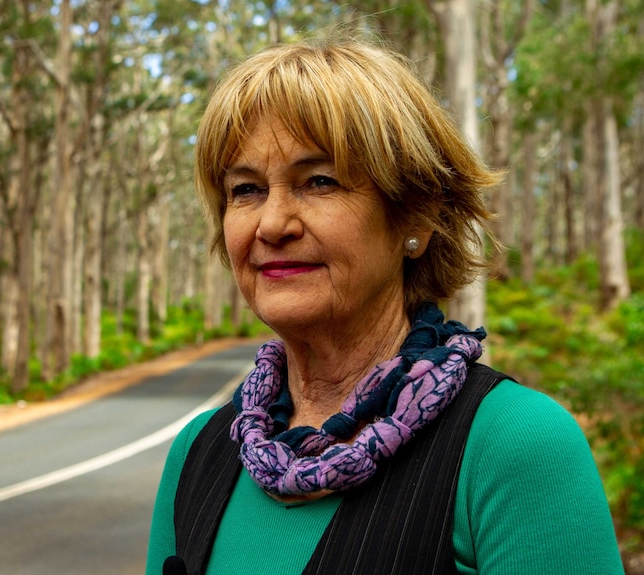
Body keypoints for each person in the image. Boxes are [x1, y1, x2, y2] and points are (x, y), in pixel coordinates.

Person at [146, 38, 624, 575]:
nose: (273, 223)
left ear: (416, 218)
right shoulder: (199, 454)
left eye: (319, 181)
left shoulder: (514, 445)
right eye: (247, 190)